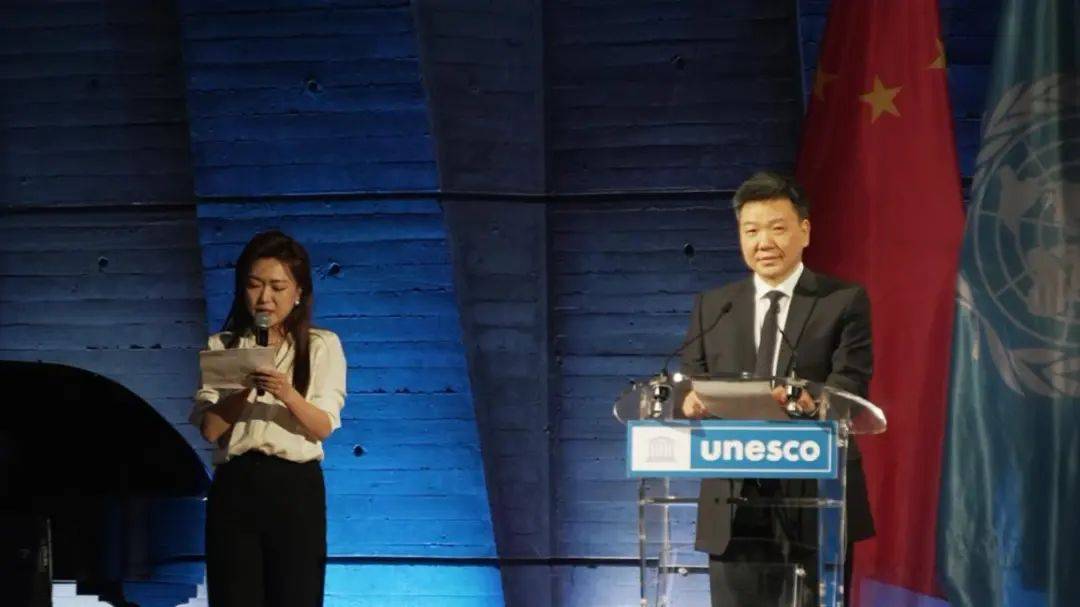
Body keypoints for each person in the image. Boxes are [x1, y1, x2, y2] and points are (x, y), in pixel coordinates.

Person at [680, 172, 875, 605]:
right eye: (751, 231)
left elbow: (851, 381)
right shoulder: (713, 306)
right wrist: (688, 401)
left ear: (805, 231)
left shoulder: (842, 301)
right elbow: (690, 380)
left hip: (815, 496)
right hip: (733, 500)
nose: (763, 242)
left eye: (777, 228)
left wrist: (813, 401)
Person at [190, 230, 347, 607]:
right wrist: (244, 388)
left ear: (298, 292)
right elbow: (210, 430)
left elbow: (323, 426)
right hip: (235, 483)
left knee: (296, 594)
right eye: (254, 285)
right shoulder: (223, 346)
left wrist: (285, 392)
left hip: (295, 486)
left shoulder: (320, 345)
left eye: (277, 287)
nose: (265, 298)